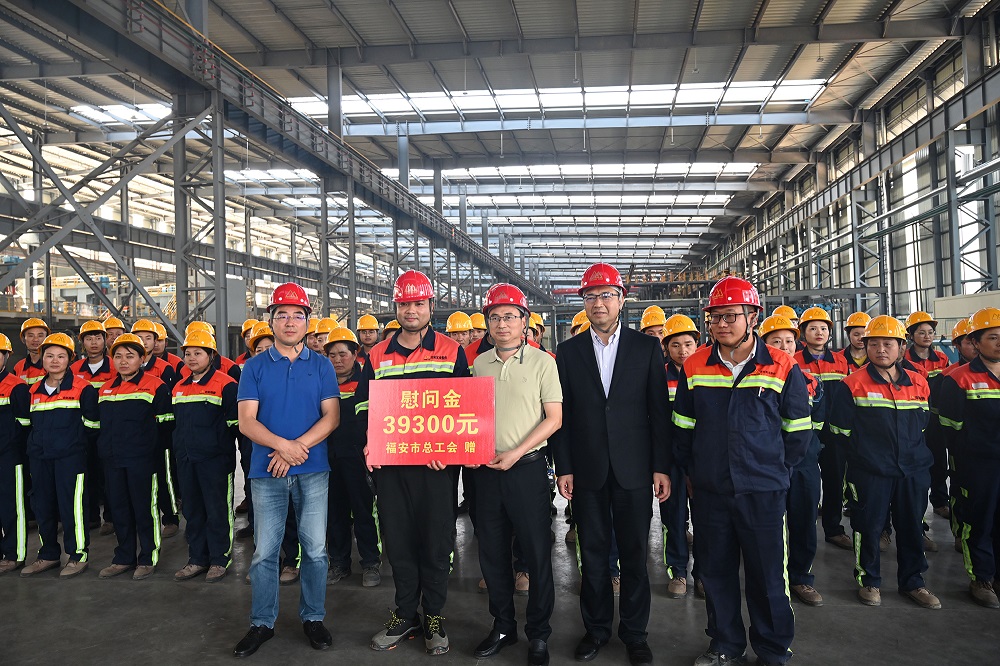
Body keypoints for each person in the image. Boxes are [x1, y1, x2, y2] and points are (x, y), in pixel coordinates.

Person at [672, 277, 811, 666]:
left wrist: (774, 471)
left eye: (730, 315)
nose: (721, 324)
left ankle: (773, 650)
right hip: (711, 491)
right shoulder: (695, 365)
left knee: (768, 577)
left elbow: (798, 431)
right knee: (715, 573)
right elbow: (683, 426)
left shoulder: (781, 365)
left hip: (763, 491)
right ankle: (724, 645)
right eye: (715, 317)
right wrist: (694, 472)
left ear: (752, 317)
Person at [550, 262, 670, 666]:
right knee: (594, 554)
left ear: (621, 300)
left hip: (634, 469)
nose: (598, 303)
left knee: (635, 554)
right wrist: (564, 467)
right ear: (583, 303)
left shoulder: (645, 348)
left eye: (606, 295)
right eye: (590, 296)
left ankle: (635, 634)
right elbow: (562, 416)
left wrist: (660, 466)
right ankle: (597, 629)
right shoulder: (568, 353)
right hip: (587, 470)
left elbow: (658, 412)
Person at [356, 269, 470, 656]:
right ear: (396, 307)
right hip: (391, 468)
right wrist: (370, 441)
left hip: (436, 469)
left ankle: (433, 616)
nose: (411, 310)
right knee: (400, 541)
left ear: (431, 306)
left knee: (436, 543)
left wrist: (449, 449)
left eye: (418, 303)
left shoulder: (451, 351)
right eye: (404, 304)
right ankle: (406, 614)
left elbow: (464, 409)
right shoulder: (377, 354)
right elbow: (362, 406)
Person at [233, 282, 340, 658]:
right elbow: (247, 421)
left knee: (315, 549)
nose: (290, 321)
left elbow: (332, 417)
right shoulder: (254, 367)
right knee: (265, 552)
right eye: (282, 315)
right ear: (271, 322)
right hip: (267, 472)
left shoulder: (322, 365)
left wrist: (296, 449)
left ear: (307, 322)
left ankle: (313, 617)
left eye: (297, 315)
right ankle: (262, 622)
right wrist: (283, 446)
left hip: (314, 471)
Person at [469, 283, 561, 666]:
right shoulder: (478, 365)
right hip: (486, 474)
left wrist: (515, 453)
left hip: (526, 471)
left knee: (536, 554)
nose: (502, 323)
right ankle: (503, 626)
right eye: (495, 317)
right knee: (491, 554)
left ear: (525, 321)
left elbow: (554, 418)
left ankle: (538, 634)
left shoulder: (543, 362)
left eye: (510, 316)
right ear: (488, 324)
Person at [828, 315, 940, 610]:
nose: (880, 349)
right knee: (868, 527)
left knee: (912, 527)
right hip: (870, 471)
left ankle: (913, 582)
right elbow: (840, 432)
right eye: (873, 344)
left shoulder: (918, 382)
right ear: (865, 347)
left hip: (913, 471)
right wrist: (865, 457)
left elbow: (924, 425)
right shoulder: (852, 384)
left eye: (888, 343)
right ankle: (869, 581)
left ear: (902, 347)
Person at [20, 333, 100, 579]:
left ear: (70, 359)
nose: (54, 361)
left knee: (72, 508)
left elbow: (93, 426)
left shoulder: (83, 389)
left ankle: (78, 555)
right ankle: (48, 554)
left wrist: (74, 445)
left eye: (61, 356)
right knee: (42, 506)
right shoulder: (33, 390)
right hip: (40, 458)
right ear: (42, 359)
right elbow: (27, 425)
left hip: (70, 459)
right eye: (49, 356)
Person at [759, 314, 826, 607]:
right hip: (767, 463)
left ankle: (800, 577)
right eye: (776, 341)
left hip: (804, 463)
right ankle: (770, 578)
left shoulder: (812, 382)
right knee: (769, 525)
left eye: (789, 341)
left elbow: (818, 422)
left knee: (804, 521)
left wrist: (805, 452)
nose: (784, 346)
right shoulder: (758, 379)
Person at [95, 332, 173, 581]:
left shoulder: (155, 386)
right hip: (112, 460)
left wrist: (150, 452)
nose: (123, 361)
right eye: (118, 356)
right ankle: (124, 557)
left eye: (130, 356)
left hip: (142, 460)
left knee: (144, 509)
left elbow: (166, 425)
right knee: (119, 509)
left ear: (142, 358)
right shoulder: (106, 388)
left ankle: (147, 557)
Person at [938, 307, 1000, 608]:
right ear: (975, 342)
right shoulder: (958, 379)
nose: (999, 342)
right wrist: (967, 458)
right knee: (979, 521)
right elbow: (950, 428)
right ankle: (981, 578)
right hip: (978, 465)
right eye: (993, 337)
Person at [172, 329, 239, 584]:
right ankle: (197, 558)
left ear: (211, 355)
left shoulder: (226, 385)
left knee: (217, 510)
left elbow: (235, 425)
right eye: (188, 353)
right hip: (186, 459)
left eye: (197, 353)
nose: (191, 358)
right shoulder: (179, 387)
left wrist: (220, 450)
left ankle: (220, 559)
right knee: (192, 510)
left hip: (215, 461)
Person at [323, 327, 381, 587]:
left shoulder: (365, 381)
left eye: (343, 354)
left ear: (355, 353)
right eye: (332, 355)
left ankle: (371, 563)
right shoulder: (322, 383)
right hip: (328, 458)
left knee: (364, 511)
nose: (337, 360)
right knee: (334, 512)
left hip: (358, 458)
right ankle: (339, 563)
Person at [793, 307, 851, 551]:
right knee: (804, 484)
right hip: (804, 433)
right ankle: (800, 533)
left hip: (833, 432)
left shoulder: (841, 361)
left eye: (824, 328)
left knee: (834, 480)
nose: (819, 332)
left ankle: (833, 529)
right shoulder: (794, 360)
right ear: (803, 333)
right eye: (813, 328)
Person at [659, 314, 699, 599]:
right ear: (666, 347)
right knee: (673, 516)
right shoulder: (658, 376)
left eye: (688, 344)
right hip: (671, 458)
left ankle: (704, 574)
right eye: (675, 345)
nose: (682, 351)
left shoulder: (705, 373)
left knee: (705, 518)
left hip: (702, 458)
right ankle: (678, 572)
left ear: (697, 343)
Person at [131, 319, 181, 537]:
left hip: (159, 433)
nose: (143, 342)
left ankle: (170, 517)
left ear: (156, 341)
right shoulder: (126, 366)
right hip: (135, 434)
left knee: (164, 476)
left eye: (148, 338)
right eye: (139, 338)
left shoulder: (164, 368)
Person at [72, 320, 116, 534]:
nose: (94, 342)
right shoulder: (73, 369)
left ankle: (110, 518)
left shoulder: (116, 366)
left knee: (108, 475)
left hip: (110, 430)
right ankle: (90, 517)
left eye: (98, 338)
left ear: (105, 340)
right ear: (83, 343)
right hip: (83, 431)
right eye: (89, 338)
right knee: (87, 472)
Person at [236, 322, 274, 538]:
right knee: (255, 482)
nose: (264, 354)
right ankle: (255, 525)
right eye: (259, 350)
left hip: (286, 444)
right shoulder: (249, 372)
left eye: (269, 348)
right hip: (254, 439)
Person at [0, 333, 30, 574]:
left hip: (9, 456)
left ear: (6, 356)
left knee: (11, 507)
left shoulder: (16, 386)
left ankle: (14, 554)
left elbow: (24, 426)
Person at [14, 318, 49, 386]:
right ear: (23, 339)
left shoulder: (54, 365)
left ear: (47, 338)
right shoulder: (18, 367)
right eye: (30, 335)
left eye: (40, 336)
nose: (35, 339)